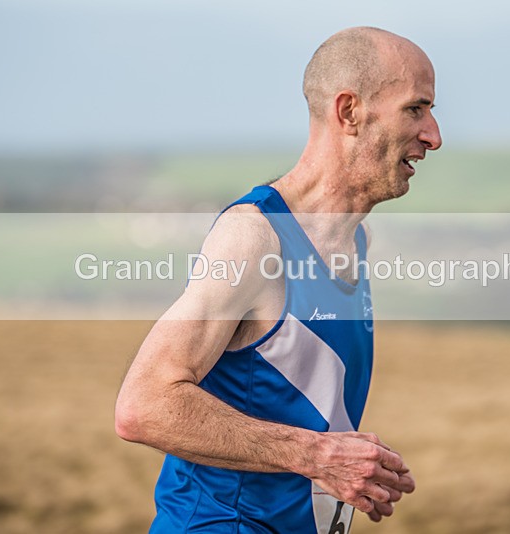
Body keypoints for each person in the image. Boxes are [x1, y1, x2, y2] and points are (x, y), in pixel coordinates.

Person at [115, 26, 441, 533]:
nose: (433, 136)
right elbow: (144, 405)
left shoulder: (358, 239)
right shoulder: (254, 238)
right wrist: (319, 455)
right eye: (416, 109)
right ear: (349, 111)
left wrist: (344, 464)